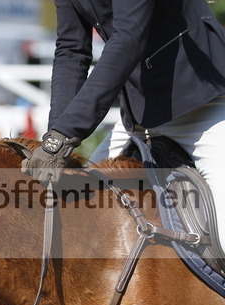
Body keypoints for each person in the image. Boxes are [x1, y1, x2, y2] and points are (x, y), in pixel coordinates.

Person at [22, 0, 225, 254]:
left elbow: (129, 37)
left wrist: (66, 134)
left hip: (200, 105)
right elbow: (71, 51)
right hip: (139, 117)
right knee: (77, 209)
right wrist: (55, 138)